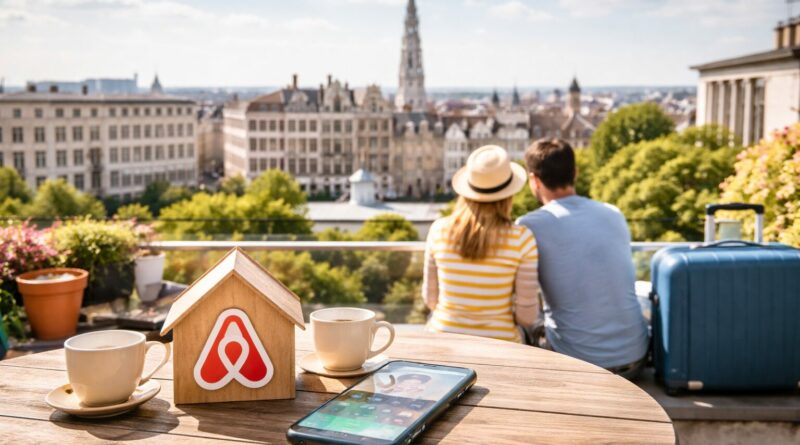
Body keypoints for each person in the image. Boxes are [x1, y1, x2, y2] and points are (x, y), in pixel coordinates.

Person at [516, 138, 648, 379]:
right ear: (575, 173)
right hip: (635, 358)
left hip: (580, 366)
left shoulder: (529, 225)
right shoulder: (613, 214)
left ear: (533, 180)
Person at [423, 145, 540, 343]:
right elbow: (527, 317)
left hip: (442, 341)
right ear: (508, 195)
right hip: (500, 345)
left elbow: (431, 300)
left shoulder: (439, 230)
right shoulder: (522, 239)